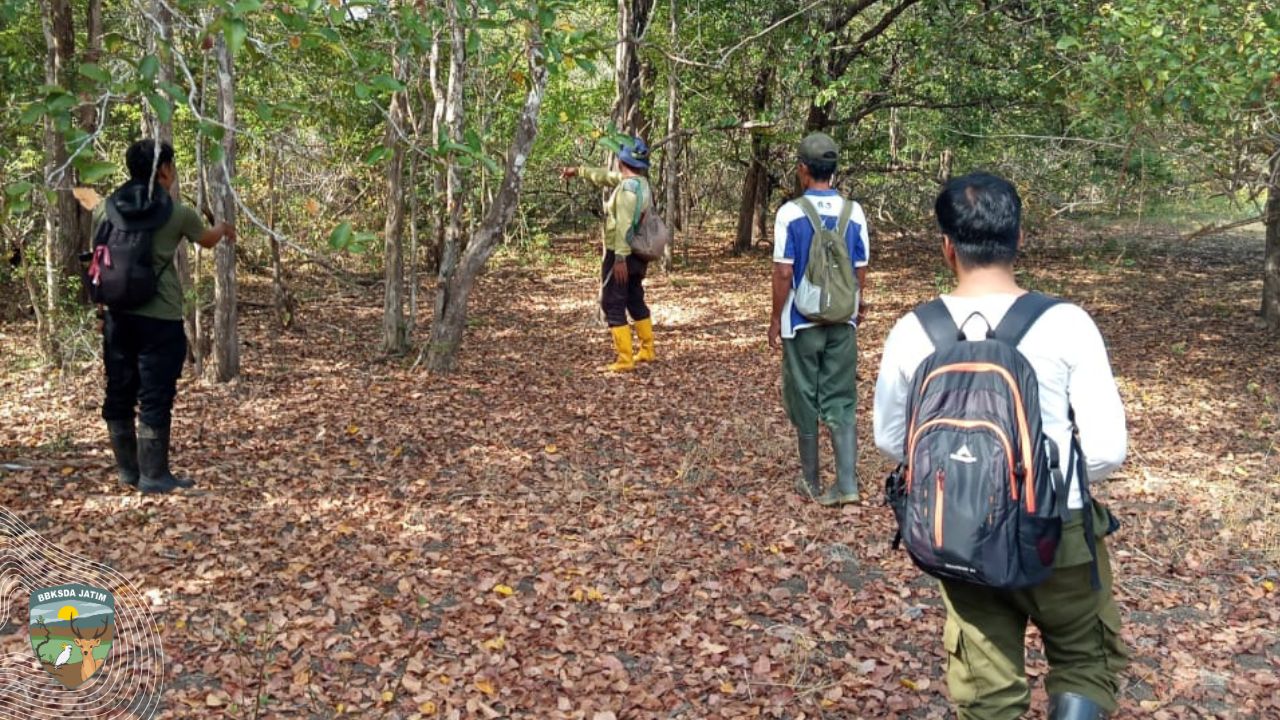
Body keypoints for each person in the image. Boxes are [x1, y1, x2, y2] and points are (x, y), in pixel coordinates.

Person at [872, 172, 1128, 719]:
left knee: (987, 689)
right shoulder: (1068, 324)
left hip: (960, 530)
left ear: (947, 246)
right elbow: (1107, 449)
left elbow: (892, 440)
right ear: (1019, 237)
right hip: (1061, 529)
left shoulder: (913, 332)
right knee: (1084, 657)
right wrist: (1036, 482)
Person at [99, 139, 234, 494]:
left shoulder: (107, 209)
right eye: (172, 167)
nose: (173, 174)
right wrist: (223, 228)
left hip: (117, 315)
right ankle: (154, 475)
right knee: (156, 394)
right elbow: (206, 240)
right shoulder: (177, 212)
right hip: (160, 317)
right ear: (163, 171)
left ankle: (128, 471)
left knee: (119, 391)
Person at [768, 132, 870, 506]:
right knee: (840, 397)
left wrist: (775, 319)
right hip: (843, 321)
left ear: (803, 169)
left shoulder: (790, 213)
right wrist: (856, 306)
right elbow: (860, 269)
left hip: (802, 321)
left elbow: (783, 273)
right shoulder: (853, 212)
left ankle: (810, 482)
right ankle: (846, 484)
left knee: (803, 396)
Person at [560, 136, 655, 372]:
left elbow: (624, 225)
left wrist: (620, 259)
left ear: (622, 162)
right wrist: (579, 171)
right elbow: (606, 176)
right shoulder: (638, 183)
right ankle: (647, 349)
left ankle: (624, 359)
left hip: (622, 254)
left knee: (612, 302)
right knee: (634, 297)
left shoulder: (627, 192)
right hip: (638, 254)